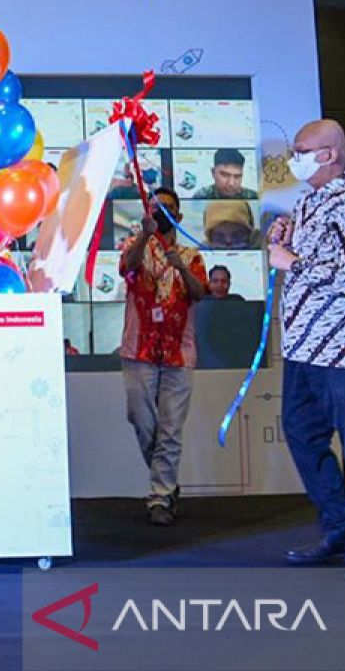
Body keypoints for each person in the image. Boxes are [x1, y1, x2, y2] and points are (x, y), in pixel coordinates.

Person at [268, 119, 345, 581]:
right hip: (304, 345)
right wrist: (285, 239)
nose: (292, 158)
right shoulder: (307, 203)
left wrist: (292, 261)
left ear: (329, 155)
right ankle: (340, 525)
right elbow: (314, 262)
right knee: (302, 431)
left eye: (300, 150)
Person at [118, 187, 207, 526]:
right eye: (156, 208)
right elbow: (127, 268)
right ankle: (167, 484)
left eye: (167, 209)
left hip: (178, 354)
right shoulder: (135, 245)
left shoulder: (190, 255)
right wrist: (145, 235)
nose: (161, 213)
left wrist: (181, 268)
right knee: (142, 421)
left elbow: (199, 293)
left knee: (170, 429)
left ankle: (160, 497)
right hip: (138, 349)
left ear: (178, 216)